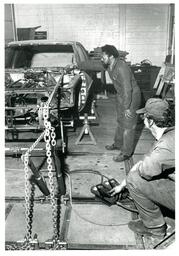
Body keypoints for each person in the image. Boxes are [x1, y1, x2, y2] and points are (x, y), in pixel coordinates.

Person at [110, 98, 175, 238]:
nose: (143, 120)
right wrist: (123, 184)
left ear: (150, 121)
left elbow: (144, 172)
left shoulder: (164, 147)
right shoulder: (171, 135)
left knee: (134, 179)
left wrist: (127, 181)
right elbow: (149, 160)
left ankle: (155, 228)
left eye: (145, 117)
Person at [101, 44, 141, 162]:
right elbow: (92, 65)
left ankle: (126, 153)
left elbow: (127, 89)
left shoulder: (121, 67)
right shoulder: (109, 65)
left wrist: (127, 107)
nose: (101, 58)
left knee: (128, 125)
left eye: (103, 56)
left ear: (111, 56)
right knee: (120, 121)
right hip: (121, 95)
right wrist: (77, 64)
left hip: (131, 97)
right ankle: (118, 144)